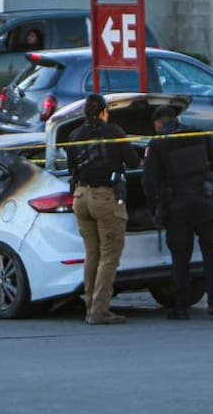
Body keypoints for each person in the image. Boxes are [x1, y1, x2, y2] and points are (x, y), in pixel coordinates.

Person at [142, 105, 213, 320]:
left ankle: (181, 307)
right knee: (211, 253)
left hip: (177, 206)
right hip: (205, 202)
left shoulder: (158, 143)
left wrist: (155, 209)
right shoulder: (199, 135)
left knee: (181, 257)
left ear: (158, 123)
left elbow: (149, 180)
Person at [67, 94, 140, 325]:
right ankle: (100, 310)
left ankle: (90, 305)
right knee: (109, 255)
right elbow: (133, 161)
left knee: (92, 254)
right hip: (105, 198)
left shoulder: (74, 135)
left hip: (81, 197)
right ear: (104, 112)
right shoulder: (114, 132)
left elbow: (71, 167)